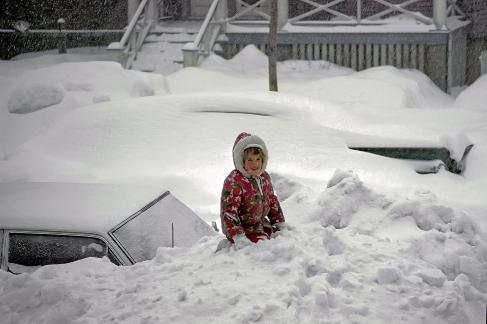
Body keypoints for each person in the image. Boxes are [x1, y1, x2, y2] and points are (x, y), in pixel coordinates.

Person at [219, 132, 286, 249]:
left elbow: (271, 200)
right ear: (241, 160)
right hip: (244, 231)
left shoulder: (264, 177)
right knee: (264, 248)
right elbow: (229, 211)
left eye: (258, 159)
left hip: (262, 226)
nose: (255, 164)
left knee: (281, 242)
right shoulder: (234, 181)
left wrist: (279, 222)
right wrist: (238, 236)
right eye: (250, 159)